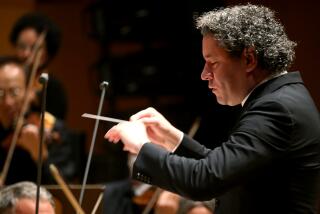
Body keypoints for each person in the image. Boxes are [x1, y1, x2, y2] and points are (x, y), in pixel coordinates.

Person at [105, 4, 320, 214]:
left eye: (213, 62)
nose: (204, 74)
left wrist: (140, 145)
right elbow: (225, 168)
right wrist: (172, 138)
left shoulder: (276, 109)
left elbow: (206, 180)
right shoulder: (278, 100)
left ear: (249, 59)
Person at [10, 12, 67, 120]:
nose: (26, 53)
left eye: (34, 48)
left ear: (47, 53)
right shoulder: (4, 72)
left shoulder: (54, 89)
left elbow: (56, 127)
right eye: (22, 46)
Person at [0, 56, 47, 185]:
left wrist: (41, 156)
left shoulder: (51, 129)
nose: (7, 102)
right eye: (0, 93)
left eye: (14, 92)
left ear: (29, 92)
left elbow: (63, 193)